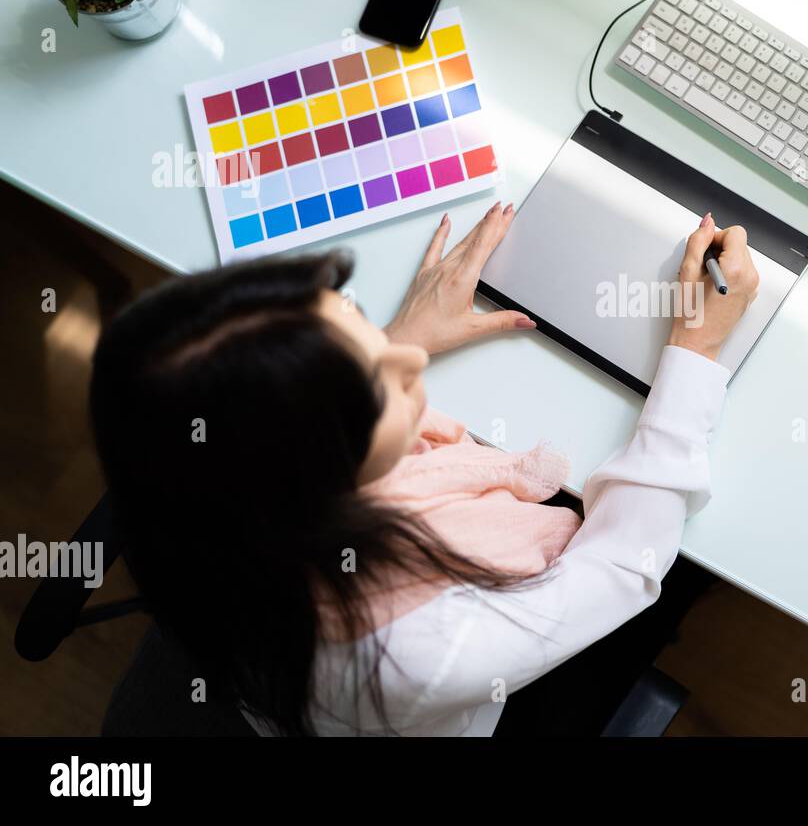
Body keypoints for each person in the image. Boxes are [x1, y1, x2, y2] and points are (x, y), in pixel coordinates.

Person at [90, 201, 758, 735]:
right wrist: (696, 350)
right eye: (375, 384)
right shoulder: (416, 655)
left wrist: (389, 338)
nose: (408, 361)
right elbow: (621, 563)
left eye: (349, 316)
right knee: (690, 564)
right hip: (446, 704)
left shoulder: (213, 510)